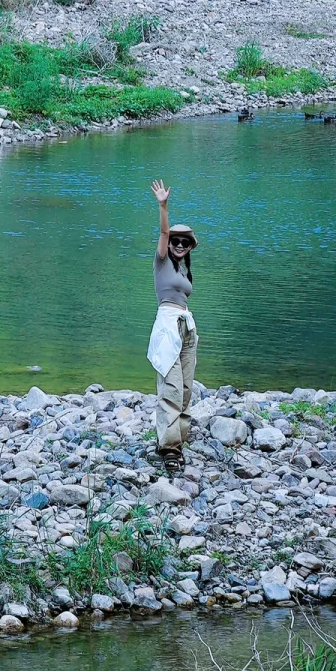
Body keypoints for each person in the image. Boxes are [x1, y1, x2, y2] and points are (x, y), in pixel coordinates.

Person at [147, 179, 198, 469]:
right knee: (171, 387)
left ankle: (177, 438)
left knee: (187, 388)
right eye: (176, 241)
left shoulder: (183, 270)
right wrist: (163, 205)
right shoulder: (162, 261)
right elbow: (164, 232)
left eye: (184, 242)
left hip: (187, 327)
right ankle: (169, 450)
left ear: (189, 247)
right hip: (167, 325)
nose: (178, 244)